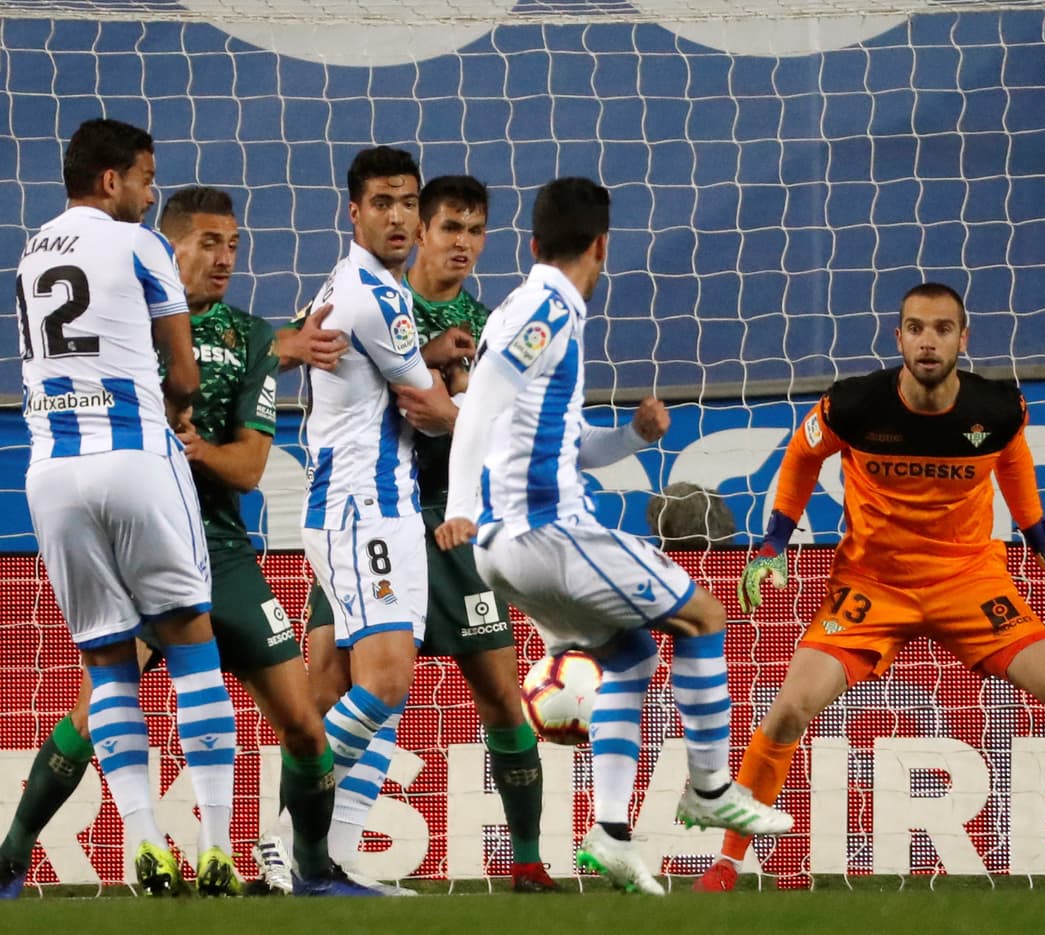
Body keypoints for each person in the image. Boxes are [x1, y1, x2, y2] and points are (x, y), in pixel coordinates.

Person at [690, 282, 1045, 891]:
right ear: (898, 338)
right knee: (789, 709)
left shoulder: (996, 409)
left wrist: (1044, 544)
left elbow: (1013, 462)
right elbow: (800, 456)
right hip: (873, 585)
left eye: (942, 329)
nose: (928, 341)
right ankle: (728, 860)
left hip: (969, 581)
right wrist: (773, 543)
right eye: (916, 328)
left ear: (963, 339)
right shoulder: (854, 405)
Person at [0, 184, 383, 899]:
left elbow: (250, 469)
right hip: (143, 542)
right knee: (89, 714)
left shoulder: (250, 338)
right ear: (167, 247)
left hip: (223, 551)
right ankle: (11, 858)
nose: (225, 258)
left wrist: (197, 449)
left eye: (233, 245)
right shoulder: (124, 319)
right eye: (209, 243)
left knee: (304, 726)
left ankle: (313, 872)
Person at [436, 176, 793, 897]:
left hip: (510, 547)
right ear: (602, 245)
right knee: (704, 616)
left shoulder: (527, 307)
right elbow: (478, 405)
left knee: (630, 658)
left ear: (532, 243)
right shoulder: (546, 309)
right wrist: (461, 503)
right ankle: (710, 787)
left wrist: (632, 435)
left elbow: (563, 444)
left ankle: (611, 834)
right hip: (543, 534)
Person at [295, 176, 567, 892]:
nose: (463, 245)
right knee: (331, 690)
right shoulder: (378, 301)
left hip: (451, 517)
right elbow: (315, 361)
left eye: (476, 232)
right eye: (450, 228)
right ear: (420, 232)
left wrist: (458, 416)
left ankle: (527, 858)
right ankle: (302, 851)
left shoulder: (490, 325)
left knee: (499, 691)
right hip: (369, 514)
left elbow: (508, 433)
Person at [7, 119, 238, 897]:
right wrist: (176, 401)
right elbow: (185, 371)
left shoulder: (32, 250)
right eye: (145, 177)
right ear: (111, 180)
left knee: (107, 662)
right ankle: (216, 845)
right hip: (135, 456)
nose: (149, 193)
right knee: (191, 642)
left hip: (51, 473)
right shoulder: (139, 243)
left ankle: (143, 842)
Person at [294, 146, 459, 895]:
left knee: (363, 689)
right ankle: (286, 844)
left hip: (372, 506)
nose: (399, 216)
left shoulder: (361, 284)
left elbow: (389, 378)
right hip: (364, 508)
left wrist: (426, 355)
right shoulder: (376, 297)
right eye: (383, 203)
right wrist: (486, 420)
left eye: (408, 202)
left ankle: (327, 858)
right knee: (386, 681)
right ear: (354, 212)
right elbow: (427, 408)